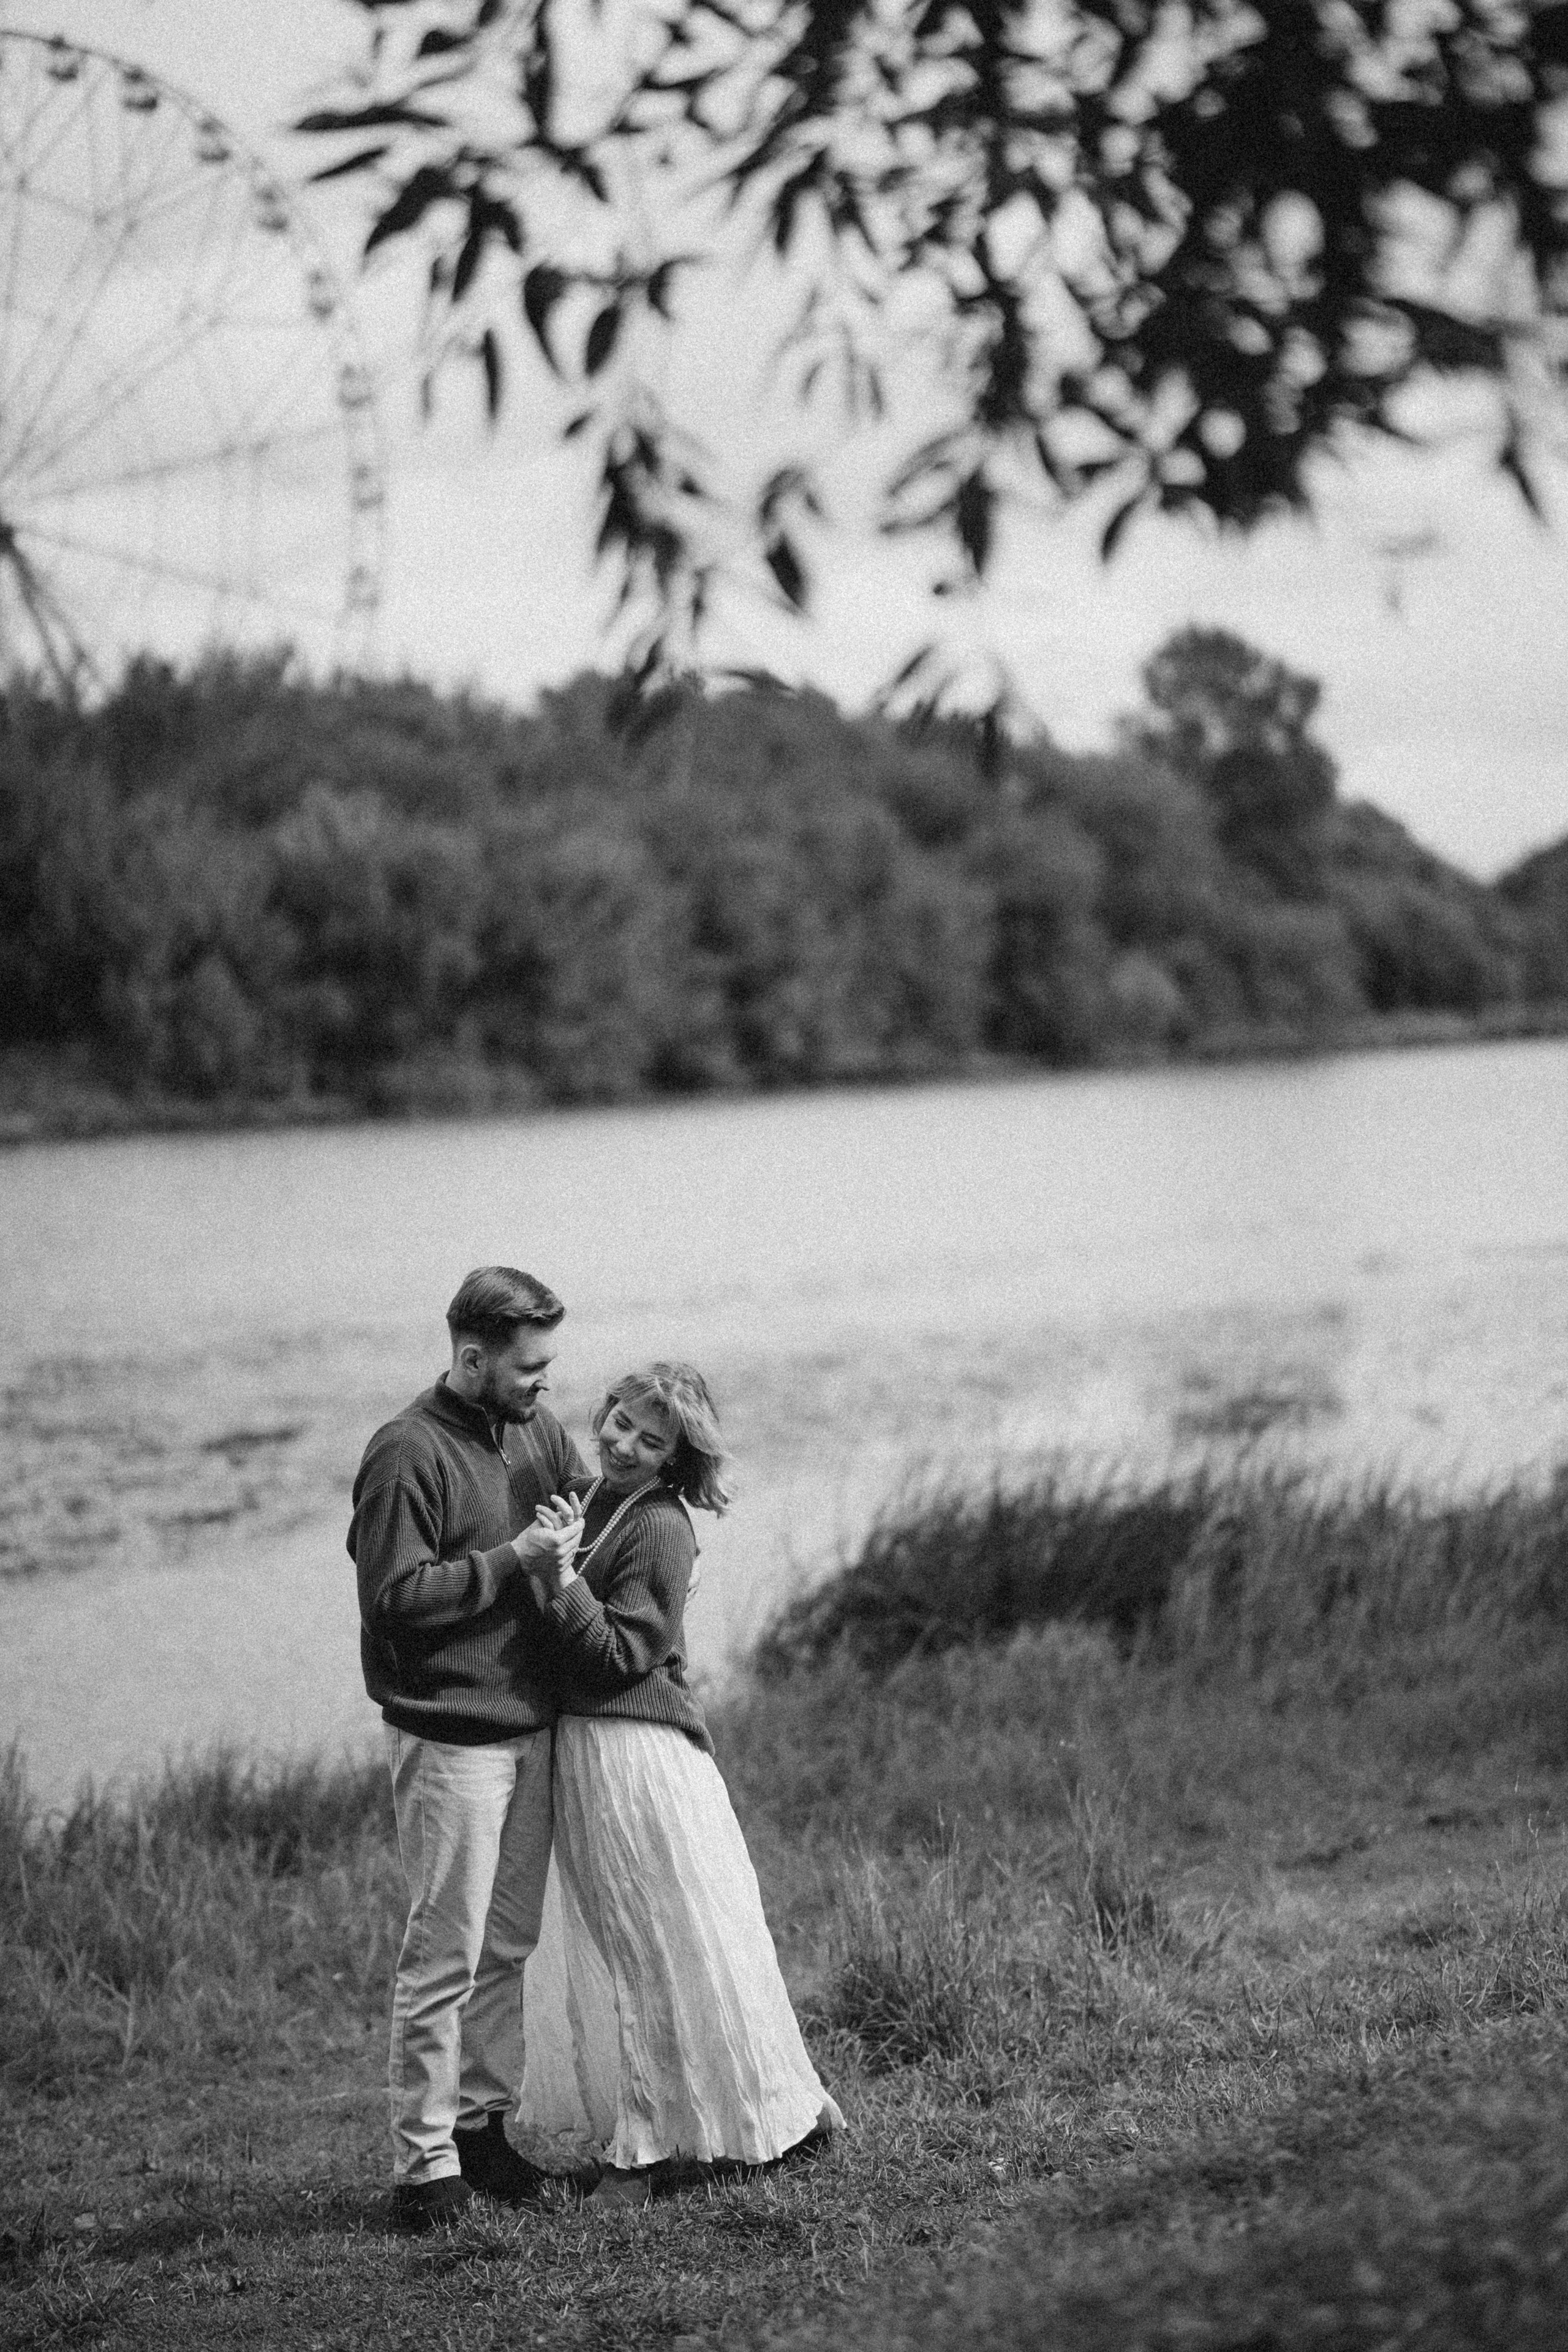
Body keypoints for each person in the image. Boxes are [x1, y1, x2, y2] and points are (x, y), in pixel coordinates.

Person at [514, 1363, 843, 2196]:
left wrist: (558, 1578)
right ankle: (769, 2112)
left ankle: (649, 2151)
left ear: (676, 1458)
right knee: (661, 1943)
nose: (625, 1444)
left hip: (638, 1754)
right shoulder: (587, 1498)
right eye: (621, 1422)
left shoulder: (663, 1527)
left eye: (651, 1440)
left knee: (660, 1946)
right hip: (586, 1749)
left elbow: (623, 1655)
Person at [347, 1265, 589, 2234]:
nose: (544, 1382)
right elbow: (393, 1601)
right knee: (444, 1953)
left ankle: (482, 2133)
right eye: (529, 1367)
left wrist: (579, 1526)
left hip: (533, 1727)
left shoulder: (537, 1428)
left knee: (508, 1947)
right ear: (473, 1357)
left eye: (548, 1364)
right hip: (449, 1736)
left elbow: (583, 1501)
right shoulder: (406, 1451)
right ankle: (423, 2170)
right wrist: (512, 1562)